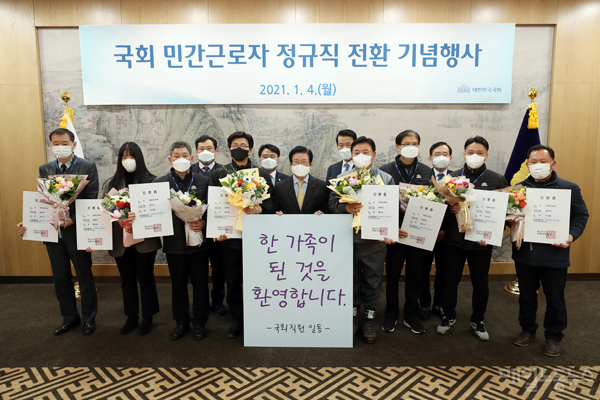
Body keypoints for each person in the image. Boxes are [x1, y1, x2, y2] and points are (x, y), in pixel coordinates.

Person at [18, 128, 99, 336]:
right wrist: (29, 222)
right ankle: (70, 318)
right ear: (51, 145)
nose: (60, 146)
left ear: (73, 144)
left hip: (77, 231)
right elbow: (43, 200)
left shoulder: (87, 166)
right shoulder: (45, 169)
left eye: (64, 143)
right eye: (56, 143)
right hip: (53, 232)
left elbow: (91, 199)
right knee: (60, 278)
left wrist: (72, 220)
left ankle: (89, 319)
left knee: (84, 276)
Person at [511, 145, 588, 357]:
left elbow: (581, 215)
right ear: (527, 165)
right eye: (533, 162)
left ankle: (554, 337)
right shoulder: (517, 189)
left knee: (555, 297)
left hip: (555, 254)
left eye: (543, 162)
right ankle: (528, 330)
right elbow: (509, 217)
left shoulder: (569, 188)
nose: (538, 166)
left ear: (553, 164)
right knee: (526, 295)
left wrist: (571, 235)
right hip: (525, 253)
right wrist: (511, 220)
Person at [437, 136, 508, 341]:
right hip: (453, 240)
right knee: (449, 281)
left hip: (481, 243)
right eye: (470, 152)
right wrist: (449, 208)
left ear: (486, 155)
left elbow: (503, 213)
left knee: (480, 284)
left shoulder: (498, 180)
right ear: (464, 154)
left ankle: (478, 319)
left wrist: (491, 235)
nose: (474, 156)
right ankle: (448, 316)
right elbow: (437, 208)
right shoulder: (450, 178)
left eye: (479, 153)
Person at [328, 136, 394, 344]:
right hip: (348, 239)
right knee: (351, 280)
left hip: (375, 242)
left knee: (373, 282)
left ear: (374, 155)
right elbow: (331, 204)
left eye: (365, 152)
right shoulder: (342, 178)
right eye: (356, 152)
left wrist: (390, 231)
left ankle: (369, 320)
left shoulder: (385, 178)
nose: (361, 156)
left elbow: (392, 209)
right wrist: (345, 207)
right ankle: (353, 317)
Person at [210, 131, 275, 338]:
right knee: (233, 280)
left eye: (244, 145)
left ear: (250, 149)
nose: (239, 148)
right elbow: (212, 205)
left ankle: (259, 317)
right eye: (235, 145)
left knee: (258, 280)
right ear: (229, 148)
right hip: (230, 240)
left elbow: (273, 203)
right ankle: (237, 319)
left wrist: (258, 209)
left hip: (256, 239)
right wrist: (216, 230)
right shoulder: (219, 174)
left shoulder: (261, 174)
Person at [154, 141, 210, 340]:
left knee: (200, 284)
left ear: (192, 158)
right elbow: (154, 213)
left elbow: (212, 210)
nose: (181, 159)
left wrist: (204, 223)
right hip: (174, 244)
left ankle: (200, 321)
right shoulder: (160, 183)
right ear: (170, 159)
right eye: (177, 156)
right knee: (178, 285)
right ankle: (181, 321)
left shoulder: (204, 181)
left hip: (198, 244)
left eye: (185, 155)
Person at [103, 142, 161, 336]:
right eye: (124, 157)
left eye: (132, 156)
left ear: (139, 158)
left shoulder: (152, 182)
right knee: (127, 279)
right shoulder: (112, 184)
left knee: (146, 278)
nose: (128, 160)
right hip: (121, 240)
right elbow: (105, 212)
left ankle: (148, 317)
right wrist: (120, 220)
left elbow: (158, 212)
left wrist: (139, 217)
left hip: (145, 241)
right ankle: (131, 317)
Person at [379, 130, 431, 335]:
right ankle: (391, 314)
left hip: (418, 233)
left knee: (415, 276)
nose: (411, 147)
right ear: (398, 147)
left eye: (415, 143)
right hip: (395, 233)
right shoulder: (385, 171)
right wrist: (390, 228)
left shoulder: (426, 171)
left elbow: (434, 202)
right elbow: (380, 204)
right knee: (392, 276)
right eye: (406, 143)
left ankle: (411, 315)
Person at [191, 135, 227, 316]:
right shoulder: (188, 171)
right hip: (194, 228)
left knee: (218, 268)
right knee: (198, 270)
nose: (205, 151)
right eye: (201, 149)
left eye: (209, 148)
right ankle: (202, 302)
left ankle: (218, 301)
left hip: (217, 229)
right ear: (196, 152)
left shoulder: (225, 172)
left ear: (216, 151)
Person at [419, 141, 454, 321]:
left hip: (448, 235)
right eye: (437, 154)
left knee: (444, 271)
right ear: (430, 157)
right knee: (422, 270)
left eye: (445, 154)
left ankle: (440, 304)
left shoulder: (458, 180)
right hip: (425, 232)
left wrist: (444, 229)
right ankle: (424, 303)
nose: (441, 157)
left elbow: (461, 207)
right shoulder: (422, 178)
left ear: (450, 158)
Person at [274, 146, 329, 215]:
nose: (300, 165)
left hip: (313, 221)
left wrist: (321, 214)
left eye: (304, 162)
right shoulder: (280, 186)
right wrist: (277, 213)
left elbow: (327, 210)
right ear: (291, 165)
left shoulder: (321, 186)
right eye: (296, 162)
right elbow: (274, 210)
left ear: (310, 165)